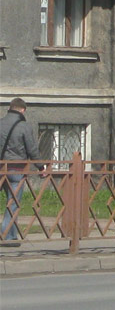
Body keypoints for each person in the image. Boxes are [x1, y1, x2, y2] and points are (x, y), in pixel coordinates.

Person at [1, 98, 47, 246]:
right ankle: (7, 236)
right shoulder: (24, 126)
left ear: (10, 108)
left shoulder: (0, 123)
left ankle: (12, 235)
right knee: (13, 202)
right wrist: (41, 167)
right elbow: (32, 149)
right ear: (22, 110)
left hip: (1, 168)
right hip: (16, 169)